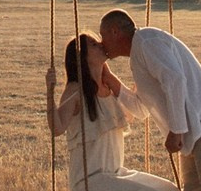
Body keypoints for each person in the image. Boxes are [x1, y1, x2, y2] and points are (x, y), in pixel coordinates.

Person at [97, 8, 201, 191]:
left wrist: (176, 131)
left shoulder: (148, 41)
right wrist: (111, 81)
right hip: (195, 131)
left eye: (103, 35)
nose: (101, 43)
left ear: (115, 31)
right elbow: (141, 109)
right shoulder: (139, 53)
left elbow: (175, 80)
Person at [46, 32, 179, 191]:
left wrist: (126, 79)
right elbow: (57, 128)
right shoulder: (76, 90)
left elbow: (131, 114)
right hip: (90, 180)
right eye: (94, 44)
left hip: (115, 174)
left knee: (169, 188)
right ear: (82, 57)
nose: (101, 44)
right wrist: (50, 91)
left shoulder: (108, 88)